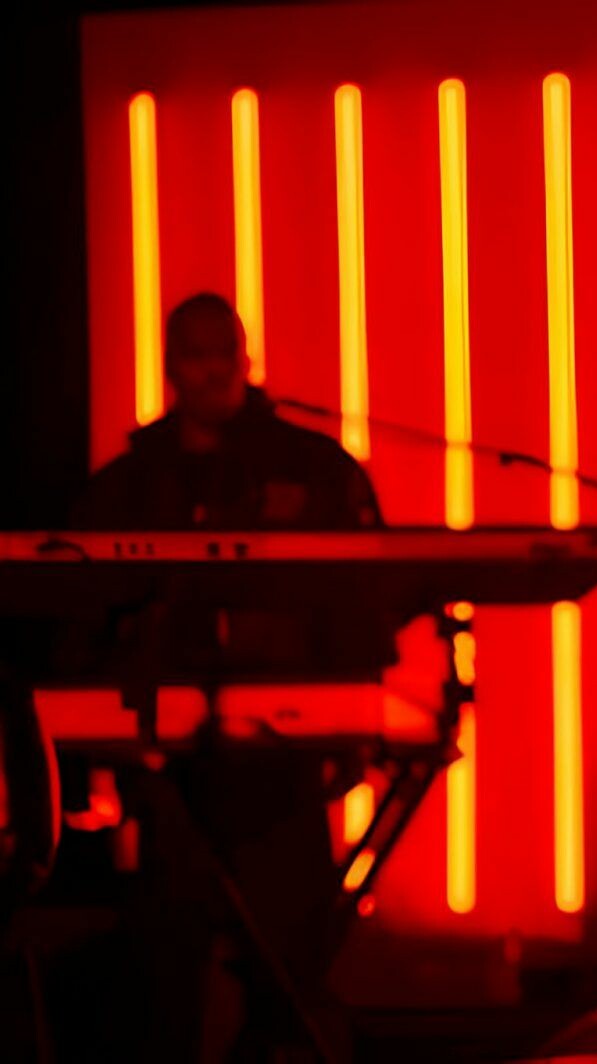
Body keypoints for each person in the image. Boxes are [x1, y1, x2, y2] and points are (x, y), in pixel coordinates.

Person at [64, 292, 390, 1060]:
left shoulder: (312, 468)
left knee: (290, 952)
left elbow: (360, 594)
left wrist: (355, 722)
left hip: (284, 756)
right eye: (195, 353)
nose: (211, 369)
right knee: (166, 956)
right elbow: (78, 608)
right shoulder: (131, 483)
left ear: (246, 358)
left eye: (223, 352)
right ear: (170, 365)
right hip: (167, 763)